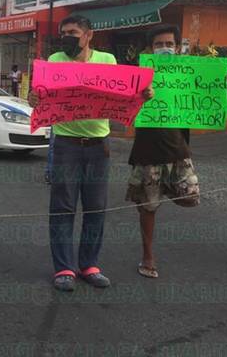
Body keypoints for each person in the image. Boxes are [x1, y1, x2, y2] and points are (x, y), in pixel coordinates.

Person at [28, 15, 151, 292]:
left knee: (96, 208)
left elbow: (123, 95)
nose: (67, 37)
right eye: (63, 33)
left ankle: (90, 265)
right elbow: (37, 97)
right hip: (65, 145)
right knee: (63, 208)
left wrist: (142, 96)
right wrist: (32, 99)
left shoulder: (107, 61)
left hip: (99, 145)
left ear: (89, 35)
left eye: (73, 32)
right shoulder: (54, 62)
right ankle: (63, 268)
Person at [125, 25, 200, 279]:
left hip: (178, 149)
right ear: (150, 49)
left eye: (169, 44)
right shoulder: (140, 77)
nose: (165, 48)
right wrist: (140, 97)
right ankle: (148, 255)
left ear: (178, 47)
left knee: (190, 197)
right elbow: (126, 113)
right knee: (148, 207)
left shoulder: (188, 75)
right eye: (159, 45)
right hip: (148, 151)